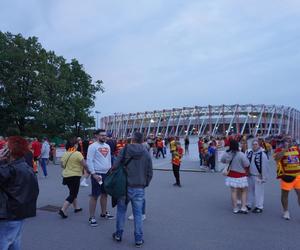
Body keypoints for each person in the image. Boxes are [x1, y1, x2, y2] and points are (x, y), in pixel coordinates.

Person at [112, 132, 153, 248]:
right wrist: (145, 183)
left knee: (121, 211)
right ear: (142, 140)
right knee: (138, 214)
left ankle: (119, 234)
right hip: (139, 187)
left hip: (124, 186)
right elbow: (150, 171)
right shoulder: (146, 152)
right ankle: (138, 239)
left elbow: (115, 165)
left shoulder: (125, 150)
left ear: (132, 139)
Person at [0, 136, 39, 250]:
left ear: (9, 151)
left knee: (3, 242)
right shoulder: (26, 167)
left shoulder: (9, 170)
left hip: (8, 213)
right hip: (20, 213)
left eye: (5, 147)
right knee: (14, 241)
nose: (3, 148)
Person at [87, 129, 113, 226]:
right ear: (97, 136)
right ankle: (92, 217)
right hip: (97, 174)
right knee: (94, 196)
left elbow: (109, 158)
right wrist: (93, 174)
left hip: (106, 174)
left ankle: (103, 212)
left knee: (105, 194)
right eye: (102, 135)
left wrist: (110, 169)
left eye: (105, 135)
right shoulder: (92, 146)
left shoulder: (107, 146)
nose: (104, 137)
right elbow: (89, 160)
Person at [59, 138, 89, 219]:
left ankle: (76, 207)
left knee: (72, 191)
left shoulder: (65, 153)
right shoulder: (78, 153)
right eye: (77, 144)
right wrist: (89, 170)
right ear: (75, 145)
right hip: (75, 176)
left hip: (66, 176)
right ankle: (63, 209)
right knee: (73, 193)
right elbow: (84, 164)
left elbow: (62, 165)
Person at [274, 136, 300, 220]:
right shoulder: (279, 149)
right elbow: (277, 158)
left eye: (290, 139)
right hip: (287, 176)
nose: (289, 140)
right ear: (284, 141)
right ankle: (285, 211)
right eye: (287, 139)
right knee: (285, 195)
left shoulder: (296, 148)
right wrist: (285, 149)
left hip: (298, 176)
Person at [221, 140, 250, 214]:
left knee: (233, 192)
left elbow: (222, 160)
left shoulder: (227, 153)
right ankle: (243, 207)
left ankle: (235, 208)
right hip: (241, 174)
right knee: (244, 191)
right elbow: (247, 164)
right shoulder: (241, 154)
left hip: (231, 174)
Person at [245, 139, 269, 213]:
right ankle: (248, 204)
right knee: (249, 191)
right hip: (250, 175)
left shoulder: (263, 154)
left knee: (259, 192)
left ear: (259, 145)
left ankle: (259, 206)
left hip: (258, 176)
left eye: (256, 144)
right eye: (253, 144)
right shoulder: (249, 152)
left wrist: (263, 177)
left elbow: (265, 167)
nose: (254, 146)